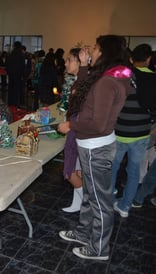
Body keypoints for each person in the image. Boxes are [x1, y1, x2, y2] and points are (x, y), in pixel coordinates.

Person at [58, 35, 131, 261]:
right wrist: (84, 65)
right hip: (95, 144)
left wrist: (71, 124)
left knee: (100, 201)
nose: (93, 52)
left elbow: (97, 123)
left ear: (105, 52)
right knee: (91, 195)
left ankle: (99, 248)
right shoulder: (113, 75)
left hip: (94, 147)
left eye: (97, 48)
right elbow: (87, 96)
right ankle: (83, 232)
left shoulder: (107, 81)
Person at [112, 44, 156, 216]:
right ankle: (124, 207)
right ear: (148, 59)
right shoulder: (154, 78)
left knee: (113, 168)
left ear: (131, 59)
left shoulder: (123, 74)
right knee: (134, 170)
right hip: (142, 133)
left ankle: (107, 202)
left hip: (120, 131)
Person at [60, 48, 83, 213]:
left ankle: (87, 204)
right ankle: (78, 204)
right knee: (77, 170)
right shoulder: (77, 81)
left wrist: (70, 124)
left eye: (69, 60)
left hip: (78, 130)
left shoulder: (82, 83)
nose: (66, 63)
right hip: (77, 128)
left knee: (69, 172)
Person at [6, 41, 25, 107]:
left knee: (11, 88)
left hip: (11, 74)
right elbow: (22, 66)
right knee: (17, 89)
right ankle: (16, 103)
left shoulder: (11, 54)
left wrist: (8, 72)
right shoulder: (21, 54)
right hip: (18, 74)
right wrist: (23, 74)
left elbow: (7, 64)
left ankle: (10, 103)